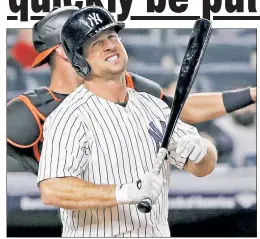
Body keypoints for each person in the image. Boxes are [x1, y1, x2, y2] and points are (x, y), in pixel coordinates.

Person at [7, 6, 256, 175]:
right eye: (92, 39)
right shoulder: (28, 111)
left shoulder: (128, 86)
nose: (108, 45)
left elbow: (179, 109)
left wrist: (252, 95)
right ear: (64, 50)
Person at [35, 6, 217, 237]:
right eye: (96, 43)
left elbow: (202, 168)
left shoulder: (154, 107)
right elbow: (52, 190)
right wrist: (124, 193)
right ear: (80, 61)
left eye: (112, 36)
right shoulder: (70, 116)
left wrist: (201, 148)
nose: (110, 45)